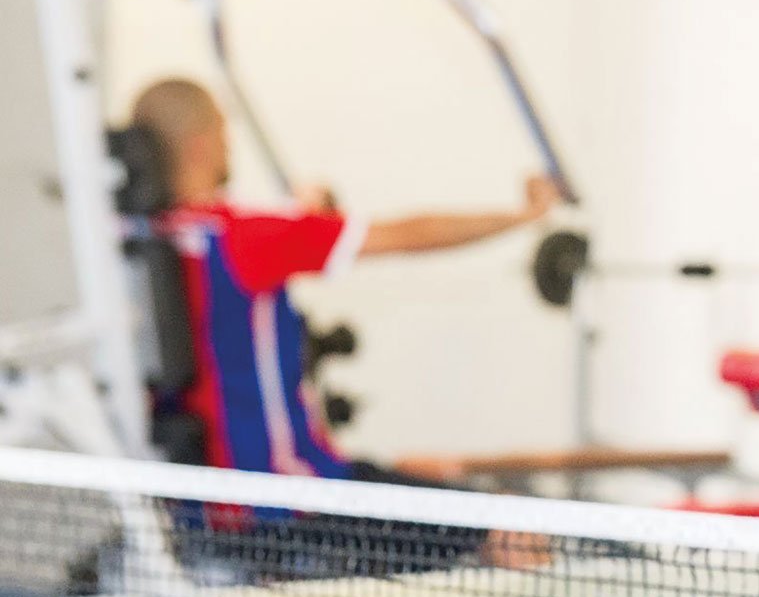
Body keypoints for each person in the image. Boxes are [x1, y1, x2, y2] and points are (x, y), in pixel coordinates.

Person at [130, 76, 557, 482]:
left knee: (419, 477)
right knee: (509, 534)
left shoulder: (141, 241)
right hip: (295, 503)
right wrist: (524, 216)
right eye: (223, 135)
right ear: (201, 146)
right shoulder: (246, 239)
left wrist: (305, 223)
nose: (229, 148)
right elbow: (410, 235)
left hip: (209, 508)